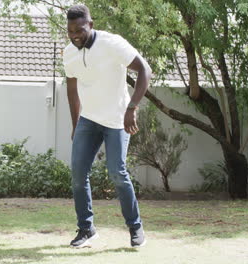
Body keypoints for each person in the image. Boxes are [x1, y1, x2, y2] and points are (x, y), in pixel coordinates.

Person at [63, 5, 152, 248]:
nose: (75, 35)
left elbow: (145, 69)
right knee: (78, 175)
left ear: (90, 25)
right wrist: (75, 123)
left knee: (117, 172)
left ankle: (135, 227)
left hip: (116, 120)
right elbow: (72, 89)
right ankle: (86, 229)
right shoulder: (69, 53)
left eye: (79, 30)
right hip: (88, 120)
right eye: (70, 31)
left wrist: (132, 108)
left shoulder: (112, 44)